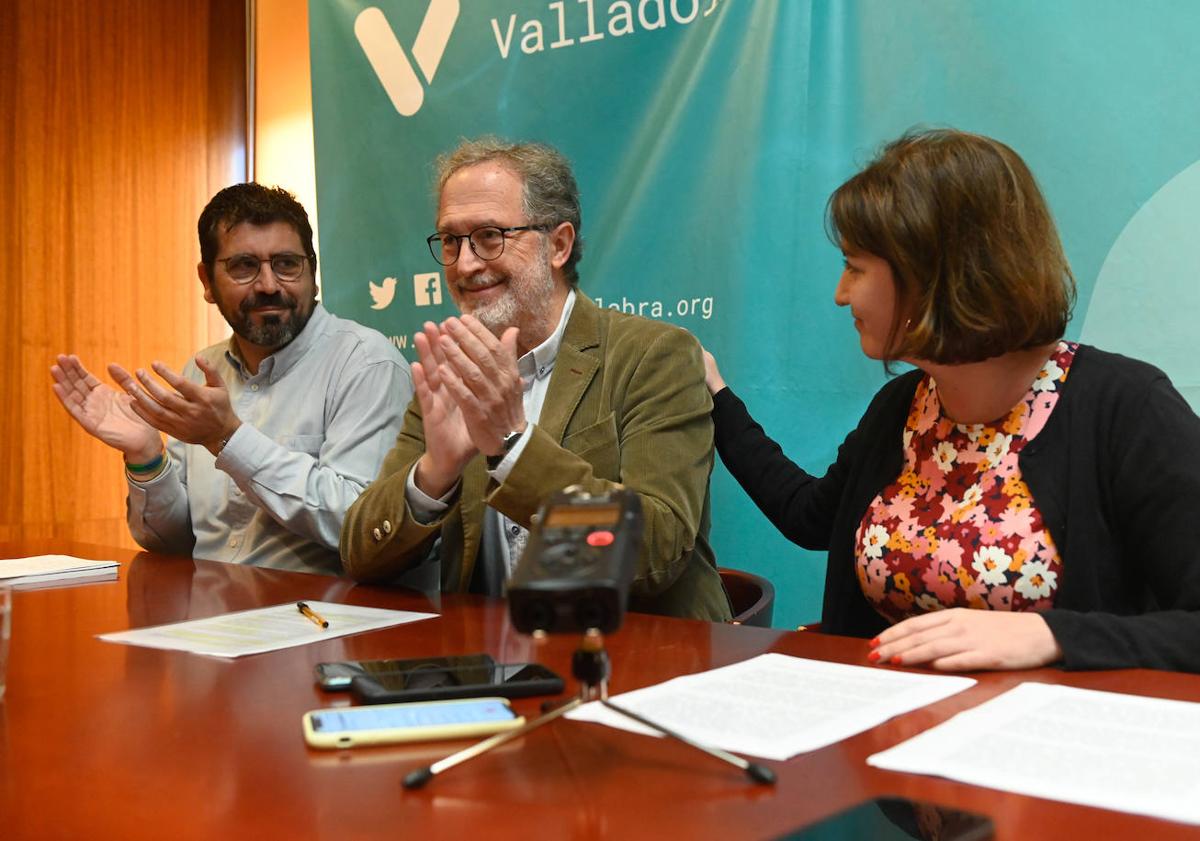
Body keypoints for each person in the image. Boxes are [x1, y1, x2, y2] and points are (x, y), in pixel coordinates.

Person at [706, 129, 1200, 672]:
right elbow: (809, 516)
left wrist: (1051, 635)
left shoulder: (1125, 408)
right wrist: (718, 399)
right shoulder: (902, 406)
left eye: (855, 266)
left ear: (930, 273)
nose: (840, 293)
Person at [341, 137, 730, 621]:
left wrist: (513, 445)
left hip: (634, 665)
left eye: (489, 236)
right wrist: (434, 473)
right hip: (489, 670)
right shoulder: (452, 372)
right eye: (450, 240)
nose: (464, 264)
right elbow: (361, 554)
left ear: (559, 245)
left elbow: (657, 552)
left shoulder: (655, 354)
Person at [51, 183, 412, 575]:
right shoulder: (203, 370)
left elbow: (362, 524)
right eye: (244, 266)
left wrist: (227, 438)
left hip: (323, 621)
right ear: (207, 281)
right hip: (212, 616)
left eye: (287, 264)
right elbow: (172, 542)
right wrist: (146, 459)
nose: (270, 285)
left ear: (312, 270)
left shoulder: (366, 364)